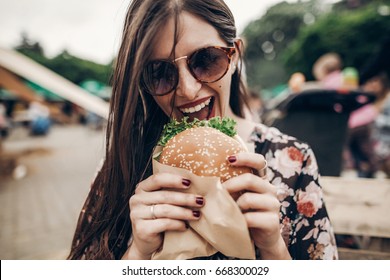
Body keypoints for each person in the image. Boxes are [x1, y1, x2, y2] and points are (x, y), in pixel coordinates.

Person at [68, 0, 338, 260]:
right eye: (160, 72)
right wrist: (138, 253)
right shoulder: (121, 164)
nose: (188, 89)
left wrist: (272, 249)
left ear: (234, 55)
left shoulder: (293, 159)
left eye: (206, 60)